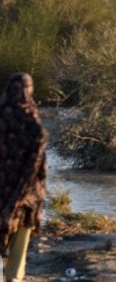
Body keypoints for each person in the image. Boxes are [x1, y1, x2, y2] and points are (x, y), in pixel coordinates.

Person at [1, 73, 47, 282]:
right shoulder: (33, 123)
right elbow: (39, 165)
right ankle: (14, 278)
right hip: (26, 195)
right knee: (19, 248)